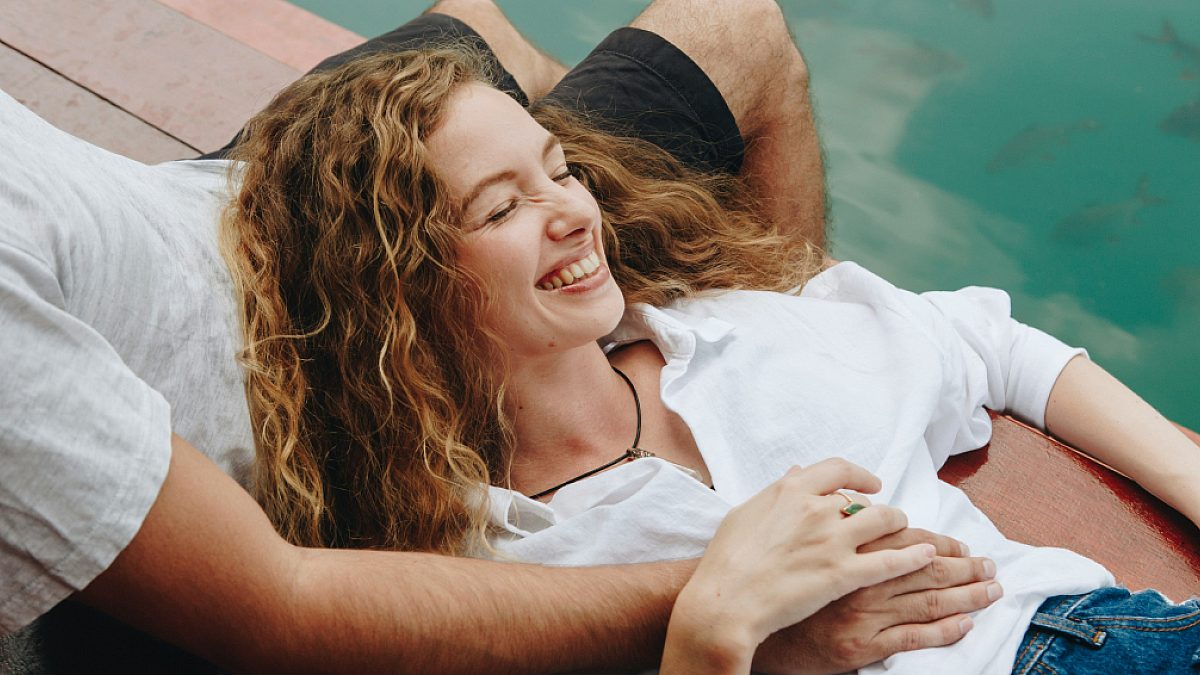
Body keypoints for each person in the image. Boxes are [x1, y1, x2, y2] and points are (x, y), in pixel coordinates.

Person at [0, 1, 1002, 672]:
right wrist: (739, 586)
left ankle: (739, 311)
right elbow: (280, 608)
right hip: (348, 306)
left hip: (245, 196)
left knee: (694, 24)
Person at [221, 38, 1200, 673]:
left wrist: (1187, 472)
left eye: (559, 170)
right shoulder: (495, 570)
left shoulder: (734, 336)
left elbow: (989, 345)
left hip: (1089, 639)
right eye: (503, 206)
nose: (568, 211)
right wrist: (714, 636)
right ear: (397, 288)